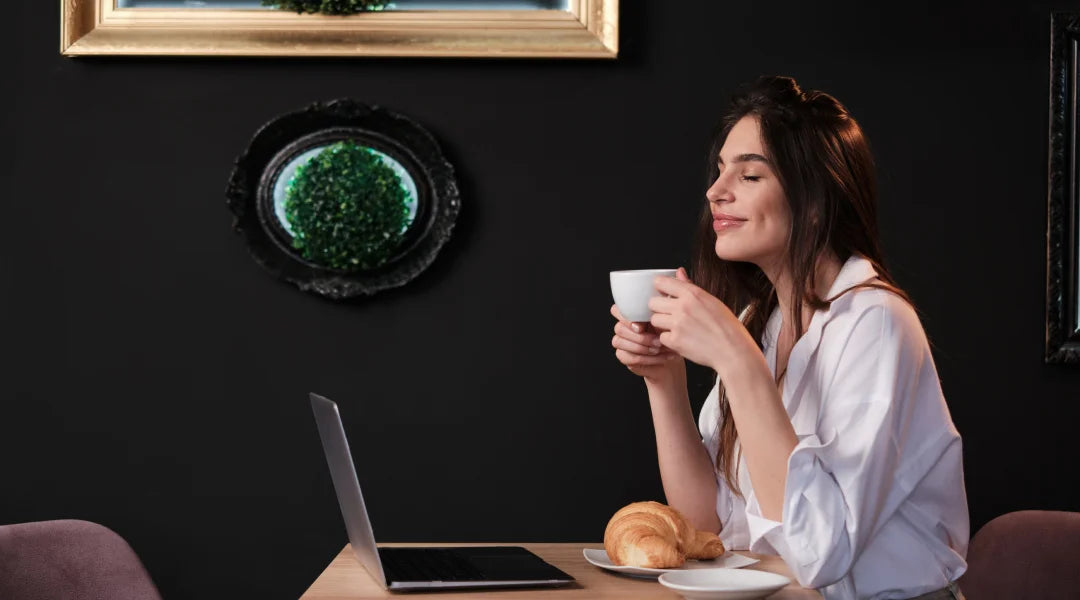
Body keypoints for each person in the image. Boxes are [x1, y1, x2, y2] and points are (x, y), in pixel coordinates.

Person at [609, 75, 968, 600]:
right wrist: (664, 380)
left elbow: (821, 553)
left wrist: (739, 362)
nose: (716, 190)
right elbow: (705, 525)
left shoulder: (876, 321)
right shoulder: (764, 317)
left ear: (817, 199)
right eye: (719, 170)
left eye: (749, 174)